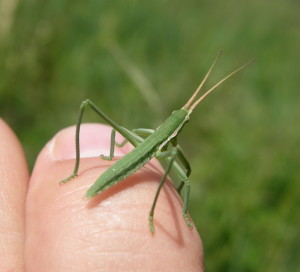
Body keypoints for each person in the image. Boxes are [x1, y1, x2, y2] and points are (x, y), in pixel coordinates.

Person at [0, 119, 203, 271]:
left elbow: (141, 132)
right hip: (139, 157)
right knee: (185, 178)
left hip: (144, 147)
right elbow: (186, 172)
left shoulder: (160, 129)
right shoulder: (170, 145)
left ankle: (78, 171)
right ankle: (152, 214)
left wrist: (124, 145)